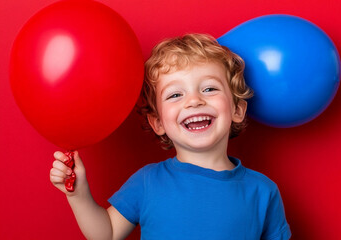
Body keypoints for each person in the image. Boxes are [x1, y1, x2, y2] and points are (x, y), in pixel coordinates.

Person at [50, 33, 291, 240]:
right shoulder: (147, 181)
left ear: (237, 110)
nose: (194, 101)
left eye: (209, 88)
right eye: (175, 95)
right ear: (158, 123)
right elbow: (108, 233)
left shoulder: (263, 191)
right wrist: (78, 195)